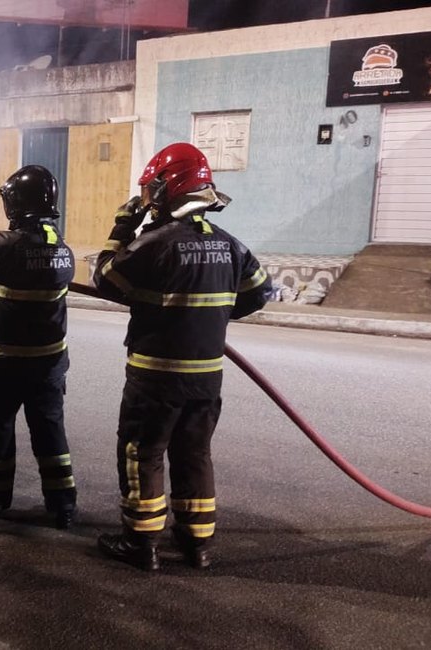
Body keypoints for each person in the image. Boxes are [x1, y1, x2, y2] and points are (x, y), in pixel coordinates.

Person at [92, 142, 272, 571]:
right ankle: (198, 544)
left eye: (152, 191)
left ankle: (140, 543)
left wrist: (122, 227)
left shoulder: (155, 243)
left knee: (144, 452)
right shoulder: (232, 246)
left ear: (168, 188)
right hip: (207, 378)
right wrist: (209, 318)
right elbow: (258, 293)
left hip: (155, 378)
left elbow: (105, 277)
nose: (149, 201)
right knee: (194, 454)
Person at [0, 165, 78, 530]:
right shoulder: (63, 250)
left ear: (16, 203)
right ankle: (63, 504)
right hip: (50, 363)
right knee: (50, 431)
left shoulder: (4, 246)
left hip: (5, 362)